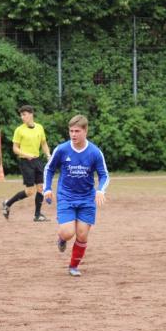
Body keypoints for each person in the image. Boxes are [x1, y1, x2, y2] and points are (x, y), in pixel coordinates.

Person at [43, 114, 110, 277]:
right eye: (71, 131)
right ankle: (61, 239)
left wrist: (100, 190)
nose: (73, 134)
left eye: (77, 131)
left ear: (85, 131)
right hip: (66, 196)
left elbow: (104, 175)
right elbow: (49, 169)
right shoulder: (62, 149)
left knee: (82, 234)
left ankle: (73, 266)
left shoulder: (94, 152)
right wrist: (47, 188)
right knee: (67, 232)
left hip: (87, 198)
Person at [2, 105, 51, 222]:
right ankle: (8, 204)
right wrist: (26, 155)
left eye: (24, 114)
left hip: (37, 160)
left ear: (31, 114)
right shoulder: (19, 130)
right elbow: (15, 148)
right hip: (26, 162)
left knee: (40, 188)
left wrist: (48, 155)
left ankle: (37, 215)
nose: (22, 117)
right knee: (30, 191)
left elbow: (43, 143)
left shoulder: (39, 127)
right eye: (21, 115)